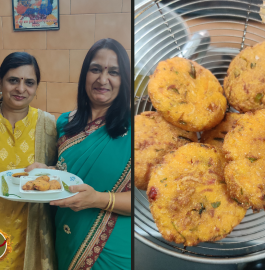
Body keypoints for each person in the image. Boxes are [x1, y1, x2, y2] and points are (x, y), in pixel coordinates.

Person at [27, 38, 131, 269]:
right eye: (95, 69)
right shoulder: (65, 122)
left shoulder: (136, 129)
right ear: (85, 74)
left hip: (112, 249)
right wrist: (47, 172)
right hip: (66, 240)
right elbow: (69, 174)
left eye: (113, 72)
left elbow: (147, 204)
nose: (103, 80)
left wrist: (99, 199)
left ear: (123, 79)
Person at [0, 52, 57, 269]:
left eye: (29, 82)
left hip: (33, 232)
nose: (21, 89)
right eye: (13, 80)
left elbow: (57, 173)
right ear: (1, 82)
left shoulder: (47, 125)